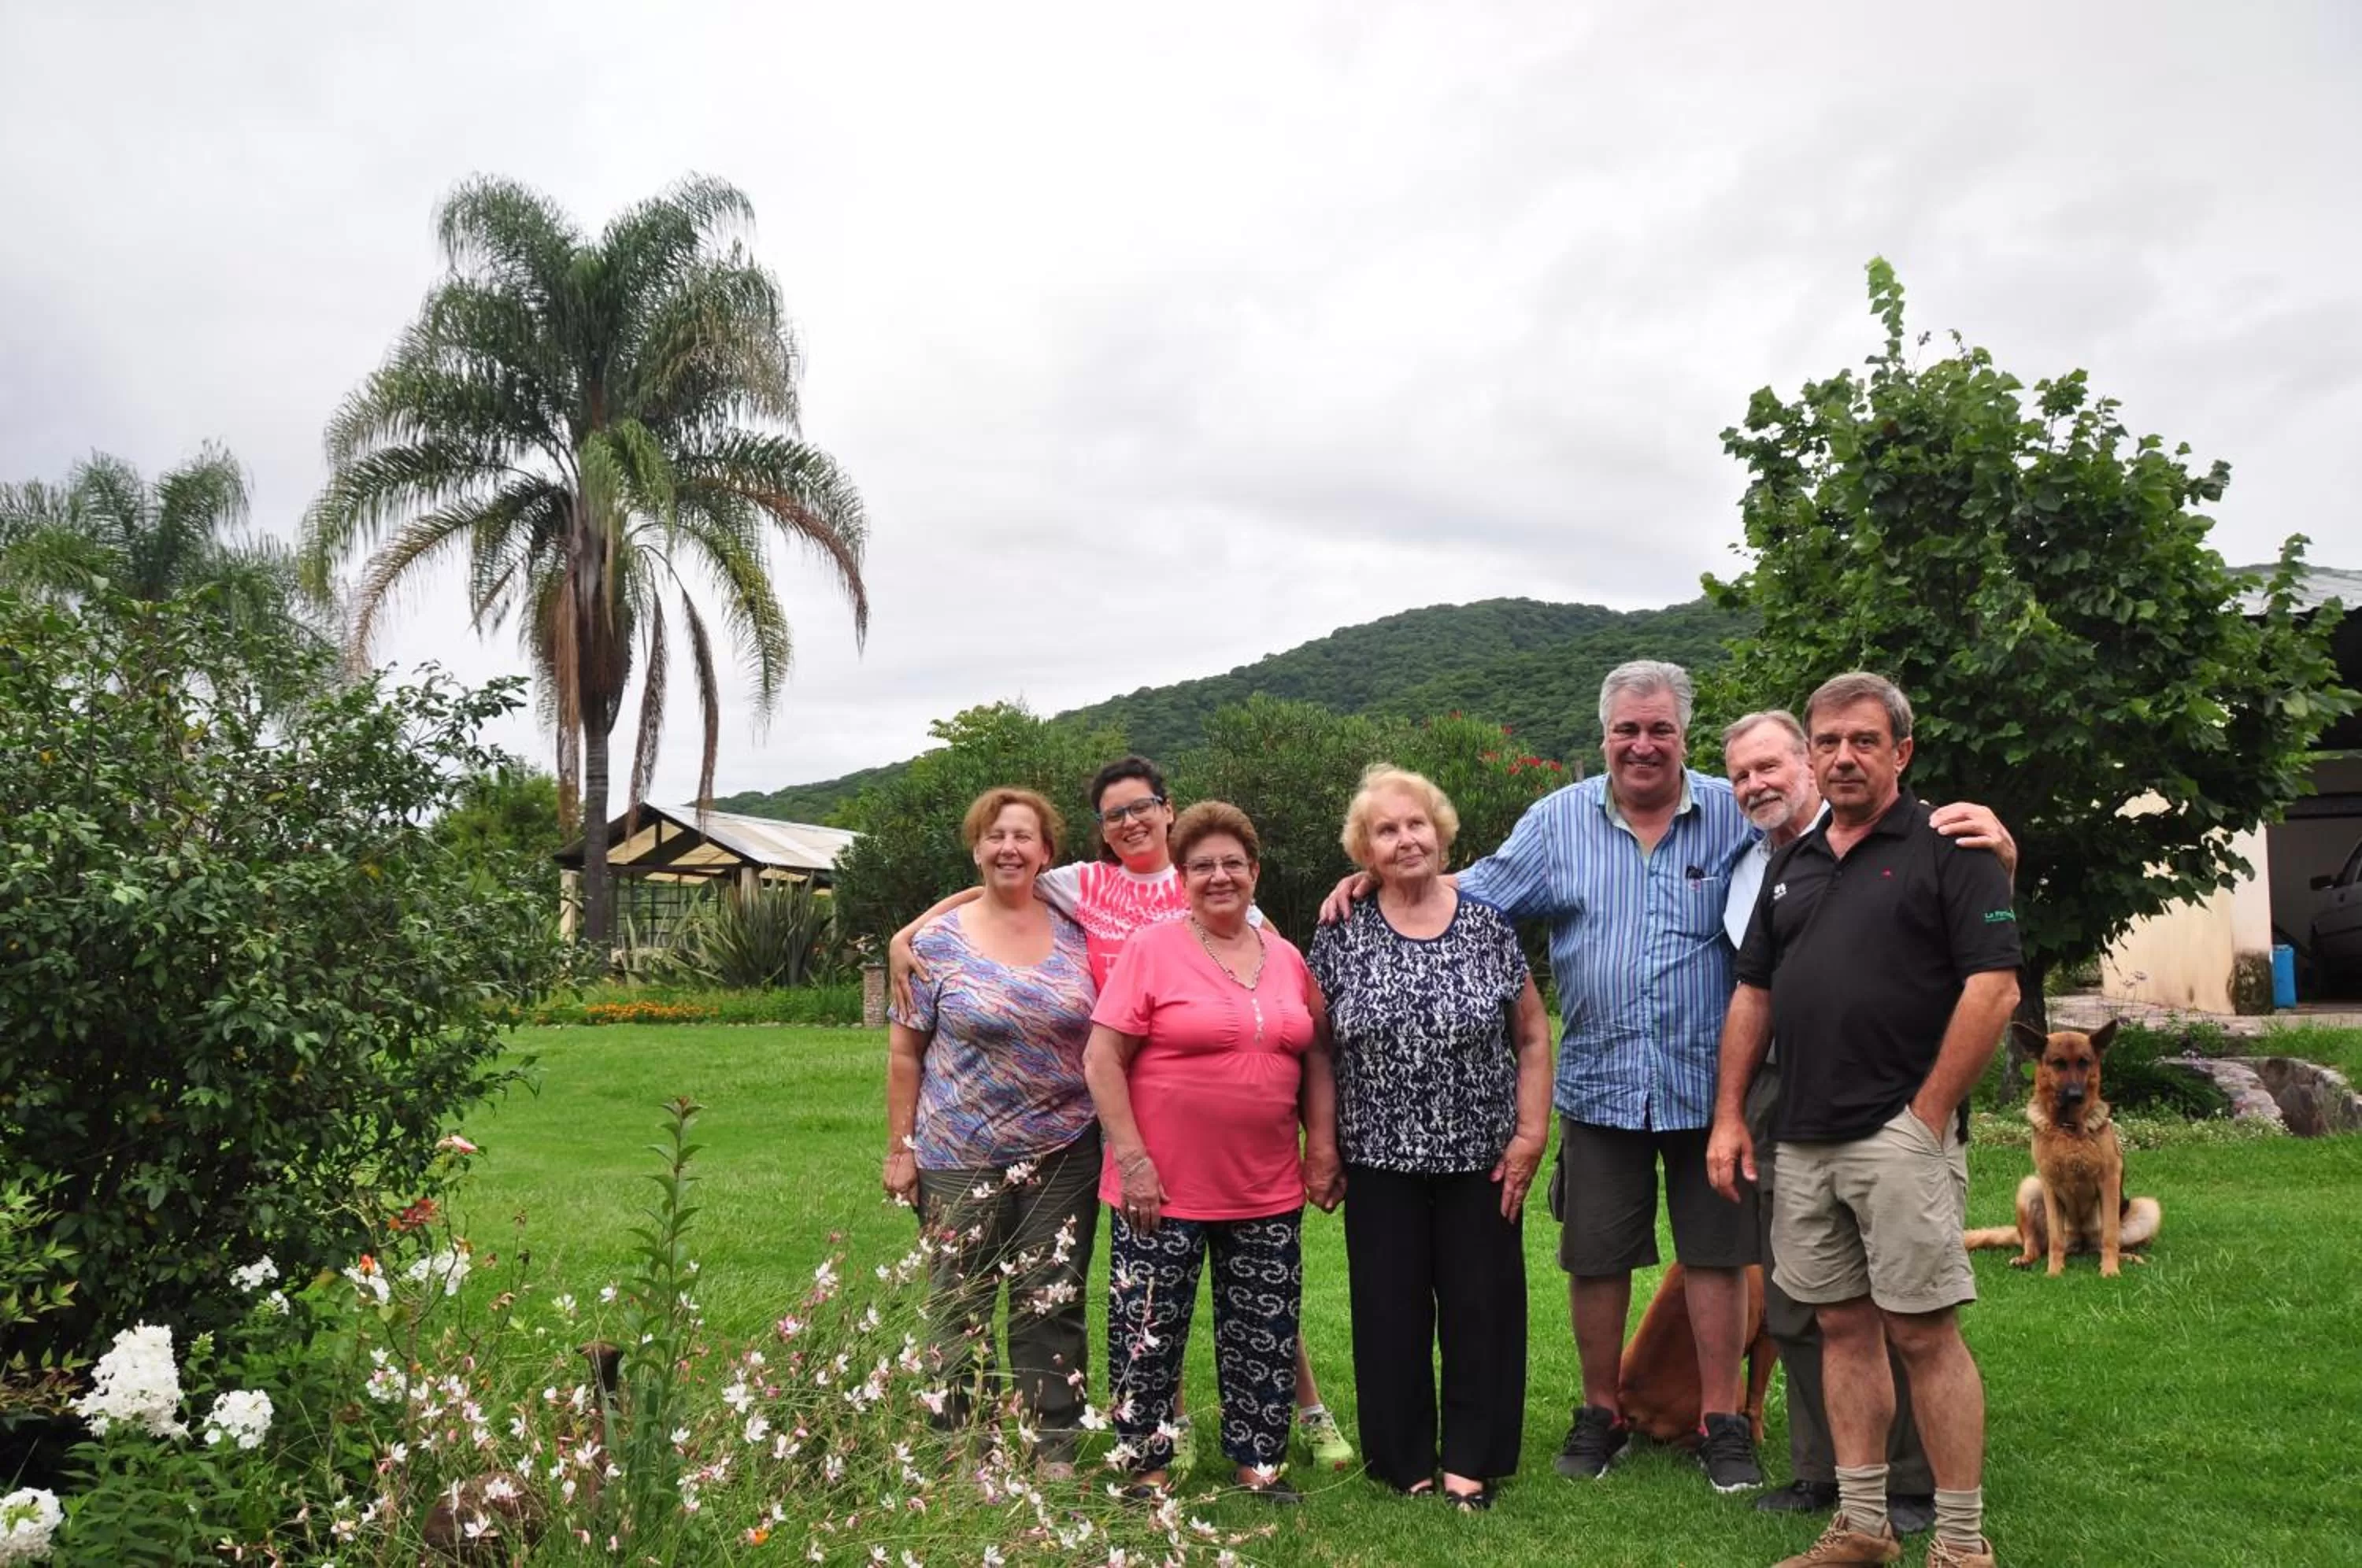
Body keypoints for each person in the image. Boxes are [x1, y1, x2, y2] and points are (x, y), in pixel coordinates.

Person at [1327, 660, 1767, 1492]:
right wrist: (1383, 876)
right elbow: (1476, 891)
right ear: (1603, 736)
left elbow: (1810, 838)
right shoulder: (1557, 821)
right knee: (1596, 1256)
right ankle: (1600, 1415)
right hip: (1600, 1086)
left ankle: (1723, 1423)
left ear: (1684, 735)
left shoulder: (1731, 814)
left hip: (1711, 1089)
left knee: (1716, 1254)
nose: (1643, 744)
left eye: (1659, 728)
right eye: (1627, 729)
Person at [892, 756, 1354, 1472]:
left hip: (1171, 1128)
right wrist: (908, 934)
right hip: (1123, 1108)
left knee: (1250, 1291)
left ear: (1169, 811)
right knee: (1151, 1295)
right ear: (1101, 831)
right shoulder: (1084, 885)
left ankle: (1301, 1414)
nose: (1132, 821)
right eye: (1115, 815)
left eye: (1143, 807)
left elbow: (1289, 1001)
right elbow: (994, 880)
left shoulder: (1229, 894)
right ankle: (1152, 1437)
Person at [1709, 673, 2021, 1568]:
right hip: (1802, 1138)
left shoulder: (1949, 845)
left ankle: (1961, 1542)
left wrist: (1926, 1117)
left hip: (1898, 1136)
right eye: (1829, 742)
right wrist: (1731, 1115)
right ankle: (1861, 1526)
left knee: (1924, 1331)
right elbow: (1753, 993)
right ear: (1813, 753)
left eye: (1865, 741)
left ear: (1902, 752)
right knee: (1841, 1328)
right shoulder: (1788, 864)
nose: (1844, 756)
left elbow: (1994, 987)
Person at [1307, 767, 1552, 1510]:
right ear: (1365, 850)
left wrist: (1530, 1135)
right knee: (1389, 1310)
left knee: (1485, 1309)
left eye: (1416, 824)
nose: (1405, 838)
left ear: (1441, 834)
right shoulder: (1340, 930)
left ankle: (1471, 1462)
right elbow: (1317, 1045)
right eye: (1387, 829)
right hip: (1378, 1161)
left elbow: (1534, 1034)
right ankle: (1403, 1458)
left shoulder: (1486, 926)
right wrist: (1322, 1144)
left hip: (1480, 1160)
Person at [1083, 801, 1342, 1503]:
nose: (1219, 876)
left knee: (1264, 1324)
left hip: (1265, 1182)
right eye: (1202, 866)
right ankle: (1146, 1464)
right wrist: (1132, 1158)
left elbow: (1316, 1053)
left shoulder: (1287, 958)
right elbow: (1102, 1057)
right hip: (1160, 1184)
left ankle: (1259, 1462)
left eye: (1233, 863)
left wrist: (1322, 1145)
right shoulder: (1152, 949)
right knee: (1149, 1324)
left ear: (1254, 872)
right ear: (1183, 877)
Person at [883, 788, 1102, 1479]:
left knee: (1053, 1299)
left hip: (1065, 1147)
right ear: (977, 848)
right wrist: (900, 1149)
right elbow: (903, 1053)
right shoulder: (933, 945)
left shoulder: (1078, 927)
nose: (1010, 847)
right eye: (995, 835)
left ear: (1047, 852)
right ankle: (960, 1447)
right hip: (957, 1151)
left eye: (1024, 836)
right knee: (959, 1301)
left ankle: (1052, 1446)